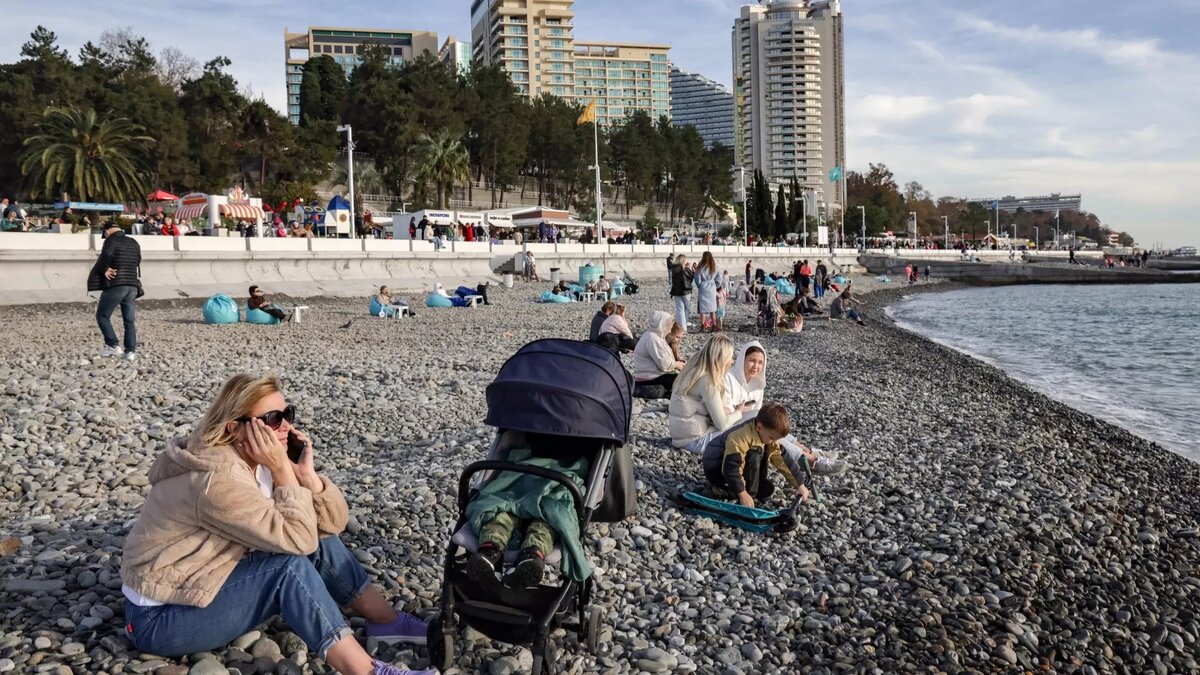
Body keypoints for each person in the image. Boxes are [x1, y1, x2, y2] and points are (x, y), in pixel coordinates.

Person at [120, 374, 433, 675]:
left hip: (203, 585)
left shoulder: (258, 462)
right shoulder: (217, 481)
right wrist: (284, 471)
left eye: (287, 413)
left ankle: (386, 621)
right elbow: (298, 541)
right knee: (287, 568)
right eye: (272, 419)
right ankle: (365, 671)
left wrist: (307, 479)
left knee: (317, 537)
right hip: (159, 620)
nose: (285, 425)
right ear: (236, 429)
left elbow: (329, 528)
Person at [465, 432, 592, 588]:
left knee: (503, 515)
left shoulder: (529, 424)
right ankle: (530, 553)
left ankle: (492, 549)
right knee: (545, 522)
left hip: (555, 478)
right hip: (522, 472)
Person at [702, 403, 810, 508]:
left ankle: (741, 491)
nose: (774, 442)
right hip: (717, 467)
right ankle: (723, 490)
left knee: (767, 489)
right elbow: (732, 467)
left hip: (734, 465)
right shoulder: (740, 437)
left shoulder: (767, 436)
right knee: (754, 454)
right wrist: (743, 494)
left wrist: (799, 484)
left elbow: (783, 460)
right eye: (772, 438)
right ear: (759, 427)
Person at [669, 334, 754, 453]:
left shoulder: (695, 369)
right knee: (753, 427)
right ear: (722, 359)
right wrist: (738, 412)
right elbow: (722, 424)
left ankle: (786, 439)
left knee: (754, 419)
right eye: (730, 357)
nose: (732, 361)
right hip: (695, 441)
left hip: (684, 436)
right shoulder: (707, 380)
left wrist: (731, 411)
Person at [87, 222, 142, 361]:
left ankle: (112, 346)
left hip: (117, 284)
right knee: (129, 320)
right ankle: (130, 352)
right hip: (132, 285)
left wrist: (105, 268)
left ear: (106, 231)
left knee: (102, 316)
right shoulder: (133, 242)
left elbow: (106, 255)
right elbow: (138, 260)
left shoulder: (111, 240)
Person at [632, 310, 685, 397]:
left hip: (650, 374)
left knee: (679, 378)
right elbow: (664, 364)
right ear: (662, 324)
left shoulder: (655, 336)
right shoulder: (653, 338)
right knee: (679, 379)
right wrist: (678, 365)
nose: (670, 328)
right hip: (648, 376)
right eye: (669, 325)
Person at [694, 252, 722, 333]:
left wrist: (701, 285)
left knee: (702, 310)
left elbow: (697, 279)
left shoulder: (700, 267)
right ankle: (714, 326)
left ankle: (703, 327)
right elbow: (719, 278)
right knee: (713, 309)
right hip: (712, 288)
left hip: (703, 288)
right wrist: (715, 285)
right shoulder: (715, 266)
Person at [668, 254, 693, 332]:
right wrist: (690, 268)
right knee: (686, 308)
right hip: (686, 291)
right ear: (683, 260)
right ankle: (684, 325)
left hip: (676, 291)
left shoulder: (674, 268)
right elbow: (692, 277)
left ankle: (681, 327)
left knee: (679, 309)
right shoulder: (685, 269)